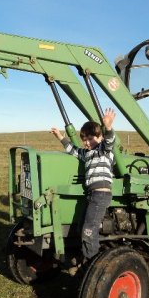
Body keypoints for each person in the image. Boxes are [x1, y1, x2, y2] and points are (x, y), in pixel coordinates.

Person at [50, 108, 117, 267]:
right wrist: (60, 137)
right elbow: (72, 150)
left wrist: (108, 127)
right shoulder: (87, 153)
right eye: (84, 139)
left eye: (90, 138)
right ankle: (84, 257)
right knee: (81, 226)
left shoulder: (103, 151)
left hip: (101, 195)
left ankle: (93, 265)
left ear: (100, 137)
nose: (87, 142)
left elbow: (110, 141)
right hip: (91, 195)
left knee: (89, 230)